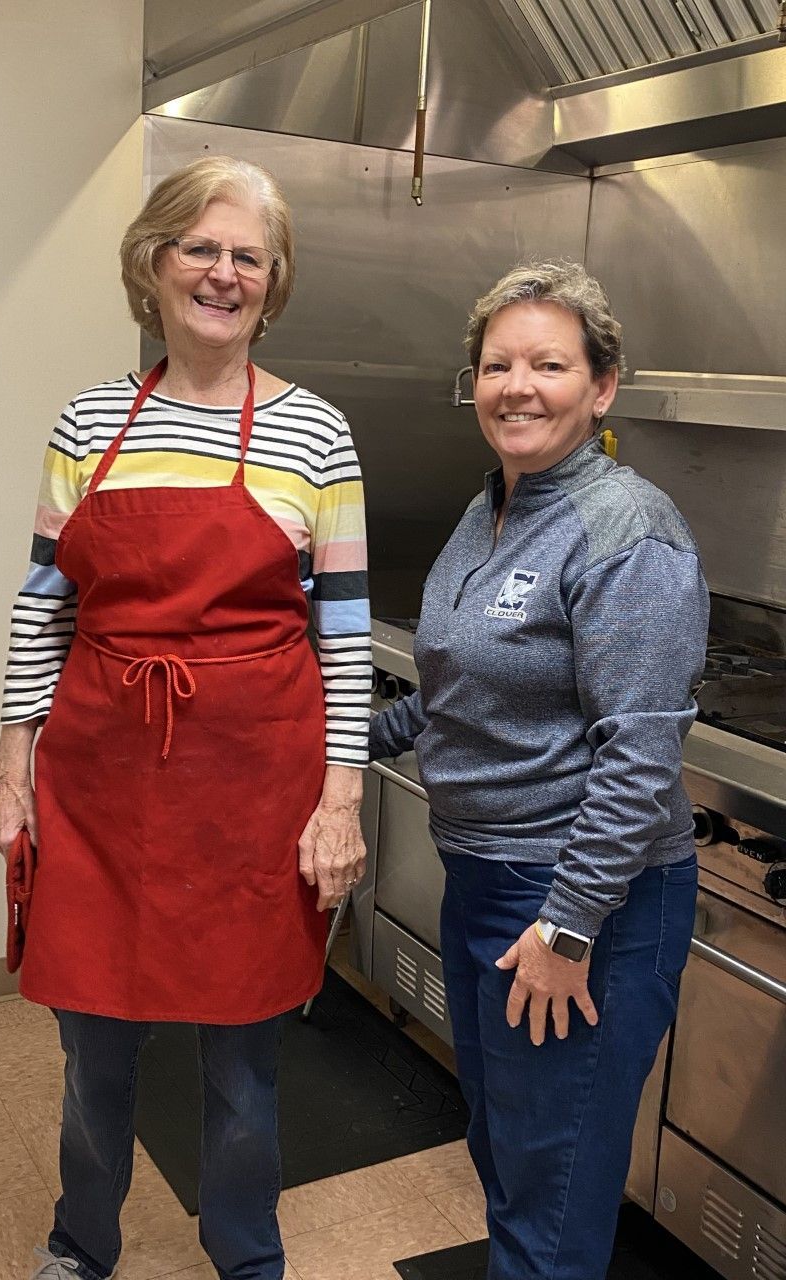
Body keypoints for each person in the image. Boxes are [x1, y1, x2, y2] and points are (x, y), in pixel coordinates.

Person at [0, 155, 371, 1280]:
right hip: (99, 788)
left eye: (250, 255)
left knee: (244, 1066)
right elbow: (40, 605)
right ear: (151, 262)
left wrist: (340, 800)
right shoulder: (89, 421)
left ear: (274, 281)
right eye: (200, 246)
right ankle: (78, 1244)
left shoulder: (317, 435)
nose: (224, 272)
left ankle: (248, 1256)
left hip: (256, 788)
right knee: (92, 1050)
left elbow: (344, 635)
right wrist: (13, 769)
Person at [369, 260, 708, 1280]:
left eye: (548, 364)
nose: (518, 385)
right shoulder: (496, 505)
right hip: (486, 878)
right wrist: (352, 742)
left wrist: (568, 926)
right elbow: (467, 691)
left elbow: (641, 752)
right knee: (510, 1158)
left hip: (579, 902)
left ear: (602, 385)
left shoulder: (626, 531)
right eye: (496, 364)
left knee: (550, 1197)